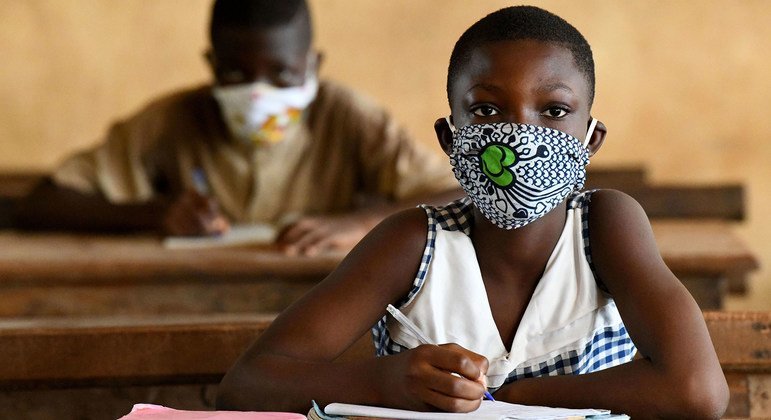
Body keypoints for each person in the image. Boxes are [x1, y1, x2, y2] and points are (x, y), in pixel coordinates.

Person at [215, 5, 729, 418]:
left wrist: (510, 400)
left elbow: (698, 393)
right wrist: (390, 381)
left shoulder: (605, 225)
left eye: (553, 111)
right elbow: (247, 384)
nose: (521, 135)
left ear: (590, 141)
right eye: (486, 110)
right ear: (450, 138)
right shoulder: (413, 242)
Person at [15, 0, 460, 255]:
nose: (258, 95)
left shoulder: (348, 116)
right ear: (211, 67)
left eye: (283, 75)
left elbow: (459, 190)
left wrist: (362, 222)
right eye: (235, 76)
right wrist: (155, 215)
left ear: (313, 65)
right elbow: (41, 203)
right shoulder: (173, 119)